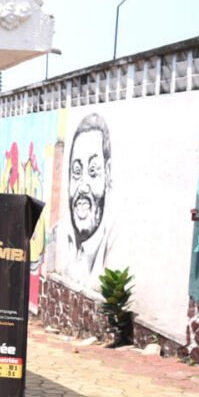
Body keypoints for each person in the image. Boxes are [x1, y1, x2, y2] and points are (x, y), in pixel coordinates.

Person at [65, 113, 112, 280]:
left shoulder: (114, 246)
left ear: (107, 174)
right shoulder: (58, 238)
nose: (83, 187)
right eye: (76, 172)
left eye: (93, 171)